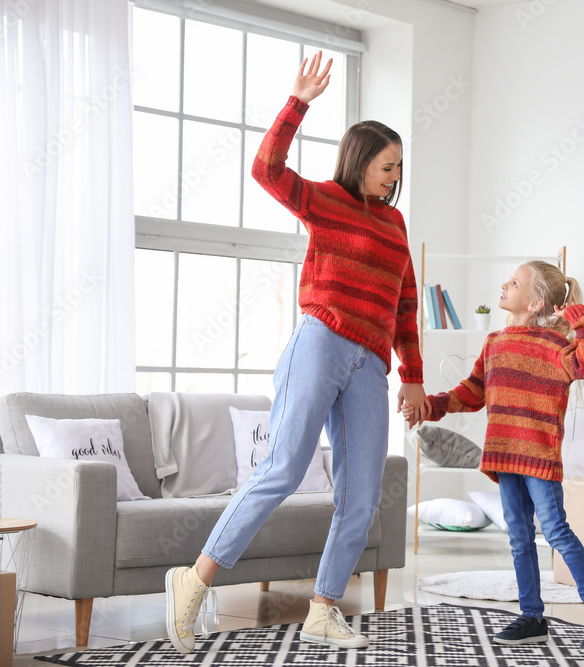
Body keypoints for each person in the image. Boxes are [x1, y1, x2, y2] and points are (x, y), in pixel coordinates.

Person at [165, 51, 431, 654]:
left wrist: (413, 376)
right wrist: (298, 104)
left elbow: (406, 306)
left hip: (371, 364)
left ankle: (323, 609)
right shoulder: (324, 200)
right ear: (360, 162)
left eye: (399, 167)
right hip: (321, 342)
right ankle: (195, 579)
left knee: (362, 496)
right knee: (284, 467)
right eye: (387, 166)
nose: (395, 176)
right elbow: (266, 168)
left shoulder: (395, 226)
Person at [403, 260, 584, 654]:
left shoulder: (555, 347)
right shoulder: (494, 342)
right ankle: (532, 616)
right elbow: (470, 393)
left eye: (515, 283)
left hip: (539, 459)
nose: (505, 285)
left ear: (535, 303)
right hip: (504, 457)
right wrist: (429, 406)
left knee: (556, 532)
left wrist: (579, 316)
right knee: (519, 538)